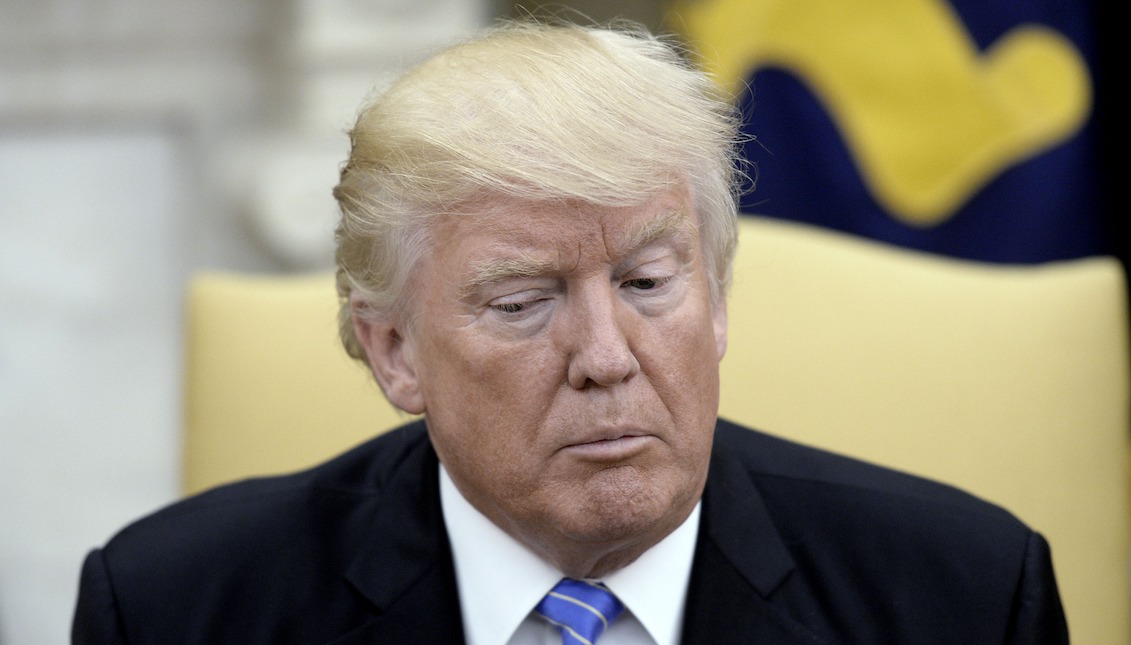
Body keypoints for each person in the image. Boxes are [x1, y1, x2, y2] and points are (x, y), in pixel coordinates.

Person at [72, 19, 1069, 644]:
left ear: (716, 303)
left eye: (646, 281)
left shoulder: (964, 596)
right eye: (522, 302)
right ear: (393, 351)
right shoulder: (176, 608)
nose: (606, 356)